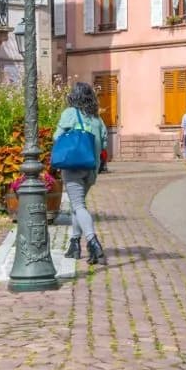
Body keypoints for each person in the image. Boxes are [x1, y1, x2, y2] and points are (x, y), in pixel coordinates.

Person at [56, 82, 109, 265]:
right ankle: (75, 244)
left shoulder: (70, 113)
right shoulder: (97, 119)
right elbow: (103, 144)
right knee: (77, 205)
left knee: (78, 206)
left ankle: (93, 242)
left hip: (72, 167)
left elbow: (57, 137)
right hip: (91, 169)